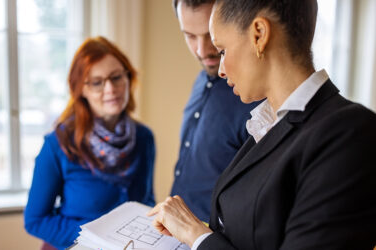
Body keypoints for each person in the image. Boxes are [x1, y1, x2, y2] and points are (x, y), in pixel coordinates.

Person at [148, 0, 376, 249]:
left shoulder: (349, 133)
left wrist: (195, 235)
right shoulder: (267, 125)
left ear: (259, 34)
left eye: (222, 50)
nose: (220, 69)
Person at [24, 36, 155, 249]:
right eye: (97, 82)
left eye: (116, 77)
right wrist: (99, 239)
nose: (110, 89)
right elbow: (35, 220)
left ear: (128, 78)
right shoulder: (58, 143)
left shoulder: (144, 138)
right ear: (81, 89)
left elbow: (146, 201)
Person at [170, 0, 259, 222]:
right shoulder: (201, 81)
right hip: (174, 232)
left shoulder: (254, 97)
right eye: (190, 36)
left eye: (210, 33)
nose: (202, 50)